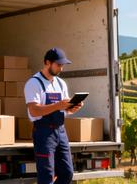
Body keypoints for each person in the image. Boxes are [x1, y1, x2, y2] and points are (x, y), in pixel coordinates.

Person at [24, 47, 83, 184]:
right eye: (58, 65)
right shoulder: (33, 83)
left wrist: (73, 108)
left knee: (67, 173)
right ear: (47, 62)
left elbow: (64, 109)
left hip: (61, 131)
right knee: (47, 176)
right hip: (44, 133)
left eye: (62, 65)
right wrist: (58, 105)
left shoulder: (60, 83)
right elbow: (34, 110)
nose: (61, 69)